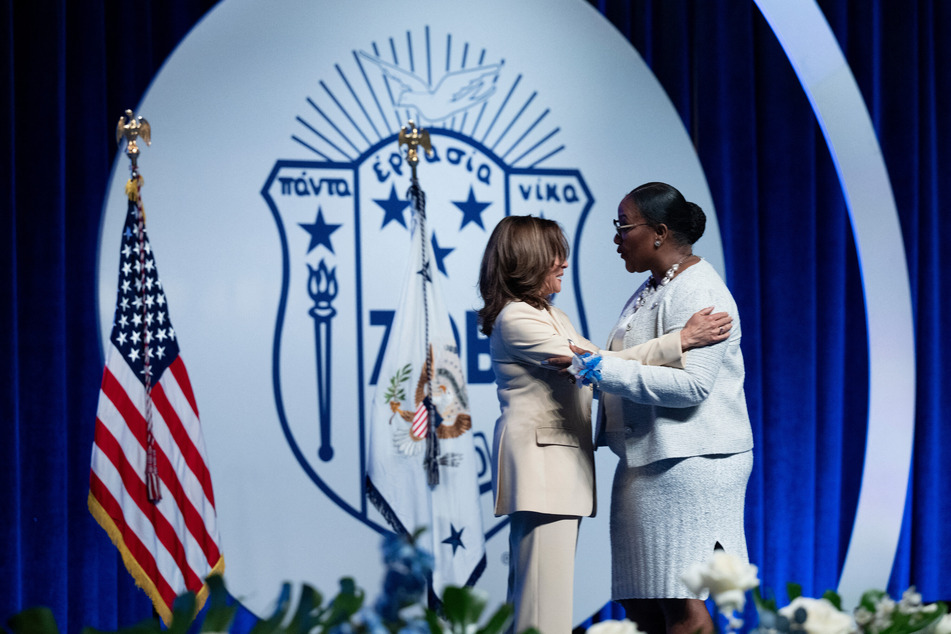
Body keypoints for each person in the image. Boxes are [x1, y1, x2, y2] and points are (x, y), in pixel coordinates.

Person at [476, 214, 732, 634]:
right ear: (528, 259)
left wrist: (598, 362)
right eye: (555, 255)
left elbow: (595, 363)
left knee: (540, 600)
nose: (563, 263)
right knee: (542, 608)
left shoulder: (546, 314)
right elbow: (597, 365)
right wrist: (680, 341)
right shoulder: (518, 319)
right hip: (544, 471)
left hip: (556, 471)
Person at [568, 182, 754, 634]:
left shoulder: (699, 291)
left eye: (623, 226)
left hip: (693, 461)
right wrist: (588, 365)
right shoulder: (654, 287)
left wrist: (595, 370)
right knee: (641, 602)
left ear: (659, 232)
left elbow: (692, 387)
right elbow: (645, 357)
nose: (616, 237)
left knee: (681, 606)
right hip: (649, 459)